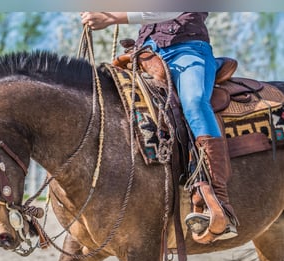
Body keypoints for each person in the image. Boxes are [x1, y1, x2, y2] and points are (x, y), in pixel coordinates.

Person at [80, 12, 239, 241]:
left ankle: (219, 201)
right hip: (144, 55)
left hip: (187, 50)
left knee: (194, 102)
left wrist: (113, 18)